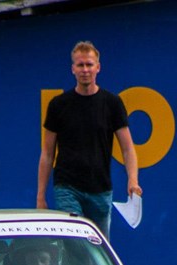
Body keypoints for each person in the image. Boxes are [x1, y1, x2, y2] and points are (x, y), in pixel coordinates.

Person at [36, 41, 141, 239]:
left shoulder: (112, 103)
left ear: (98, 67)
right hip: (67, 186)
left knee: (97, 246)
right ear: (73, 69)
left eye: (89, 64)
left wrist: (132, 180)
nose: (85, 69)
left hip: (100, 188)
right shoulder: (58, 105)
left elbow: (128, 148)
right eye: (80, 65)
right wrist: (41, 195)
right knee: (73, 242)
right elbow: (47, 153)